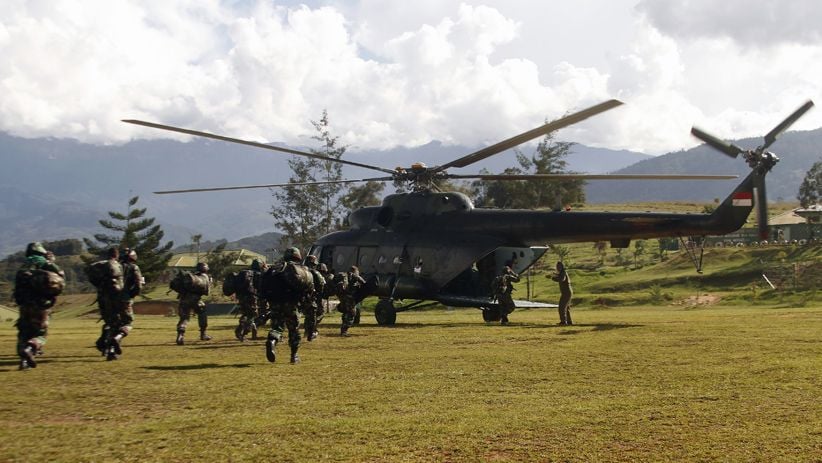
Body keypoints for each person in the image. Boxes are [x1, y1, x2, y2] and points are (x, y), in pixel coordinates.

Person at [13, 242, 65, 370]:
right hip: (41, 304)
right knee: (40, 333)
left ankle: (24, 361)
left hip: (25, 304)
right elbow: (61, 277)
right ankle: (30, 348)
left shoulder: (23, 266)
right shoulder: (46, 264)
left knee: (24, 331)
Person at [264, 247, 310, 364]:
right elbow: (307, 287)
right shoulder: (299, 269)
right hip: (291, 303)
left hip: (274, 303)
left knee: (277, 326)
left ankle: (272, 341)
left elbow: (263, 286)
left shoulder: (274, 268)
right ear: (297, 256)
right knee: (293, 329)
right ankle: (294, 356)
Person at [104, 248, 143, 360]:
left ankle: (111, 352)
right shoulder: (133, 267)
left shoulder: (115, 267)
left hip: (110, 299)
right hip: (124, 299)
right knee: (127, 323)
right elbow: (138, 285)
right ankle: (117, 337)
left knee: (114, 324)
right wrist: (132, 295)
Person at [91, 247, 125, 360]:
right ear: (116, 255)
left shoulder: (100, 265)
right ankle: (110, 349)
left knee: (108, 322)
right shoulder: (117, 265)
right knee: (117, 323)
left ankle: (103, 345)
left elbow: (89, 271)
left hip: (102, 298)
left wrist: (98, 284)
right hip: (115, 298)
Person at [175, 262, 212, 345]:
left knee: (184, 318)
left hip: (183, 299)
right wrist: (210, 283)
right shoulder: (204, 277)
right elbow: (207, 292)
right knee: (202, 313)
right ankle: (203, 334)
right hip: (196, 300)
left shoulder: (190, 277)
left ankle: (180, 336)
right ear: (205, 269)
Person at [234, 259, 263, 342]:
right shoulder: (257, 274)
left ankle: (243, 330)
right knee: (252, 314)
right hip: (251, 297)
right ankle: (242, 333)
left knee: (246, 313)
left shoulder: (246, 273)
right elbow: (259, 287)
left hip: (241, 296)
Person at [303, 255, 327, 341]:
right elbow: (322, 284)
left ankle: (307, 330)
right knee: (318, 314)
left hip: (302, 298)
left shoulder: (301, 271)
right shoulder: (315, 272)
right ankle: (312, 331)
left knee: (308, 315)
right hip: (314, 297)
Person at [339, 265, 365, 337]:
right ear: (355, 271)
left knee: (346, 313)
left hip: (343, 298)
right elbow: (363, 282)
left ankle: (343, 330)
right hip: (350, 298)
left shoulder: (346, 276)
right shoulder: (354, 276)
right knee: (351, 313)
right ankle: (344, 331)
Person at [551, 261, 573, 325]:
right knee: (566, 308)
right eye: (557, 266)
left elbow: (562, 279)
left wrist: (553, 278)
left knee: (561, 307)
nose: (557, 267)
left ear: (561, 267)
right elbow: (560, 276)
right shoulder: (562, 272)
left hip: (566, 293)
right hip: (567, 292)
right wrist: (555, 275)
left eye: (559, 266)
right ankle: (569, 321)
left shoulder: (563, 273)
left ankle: (563, 322)